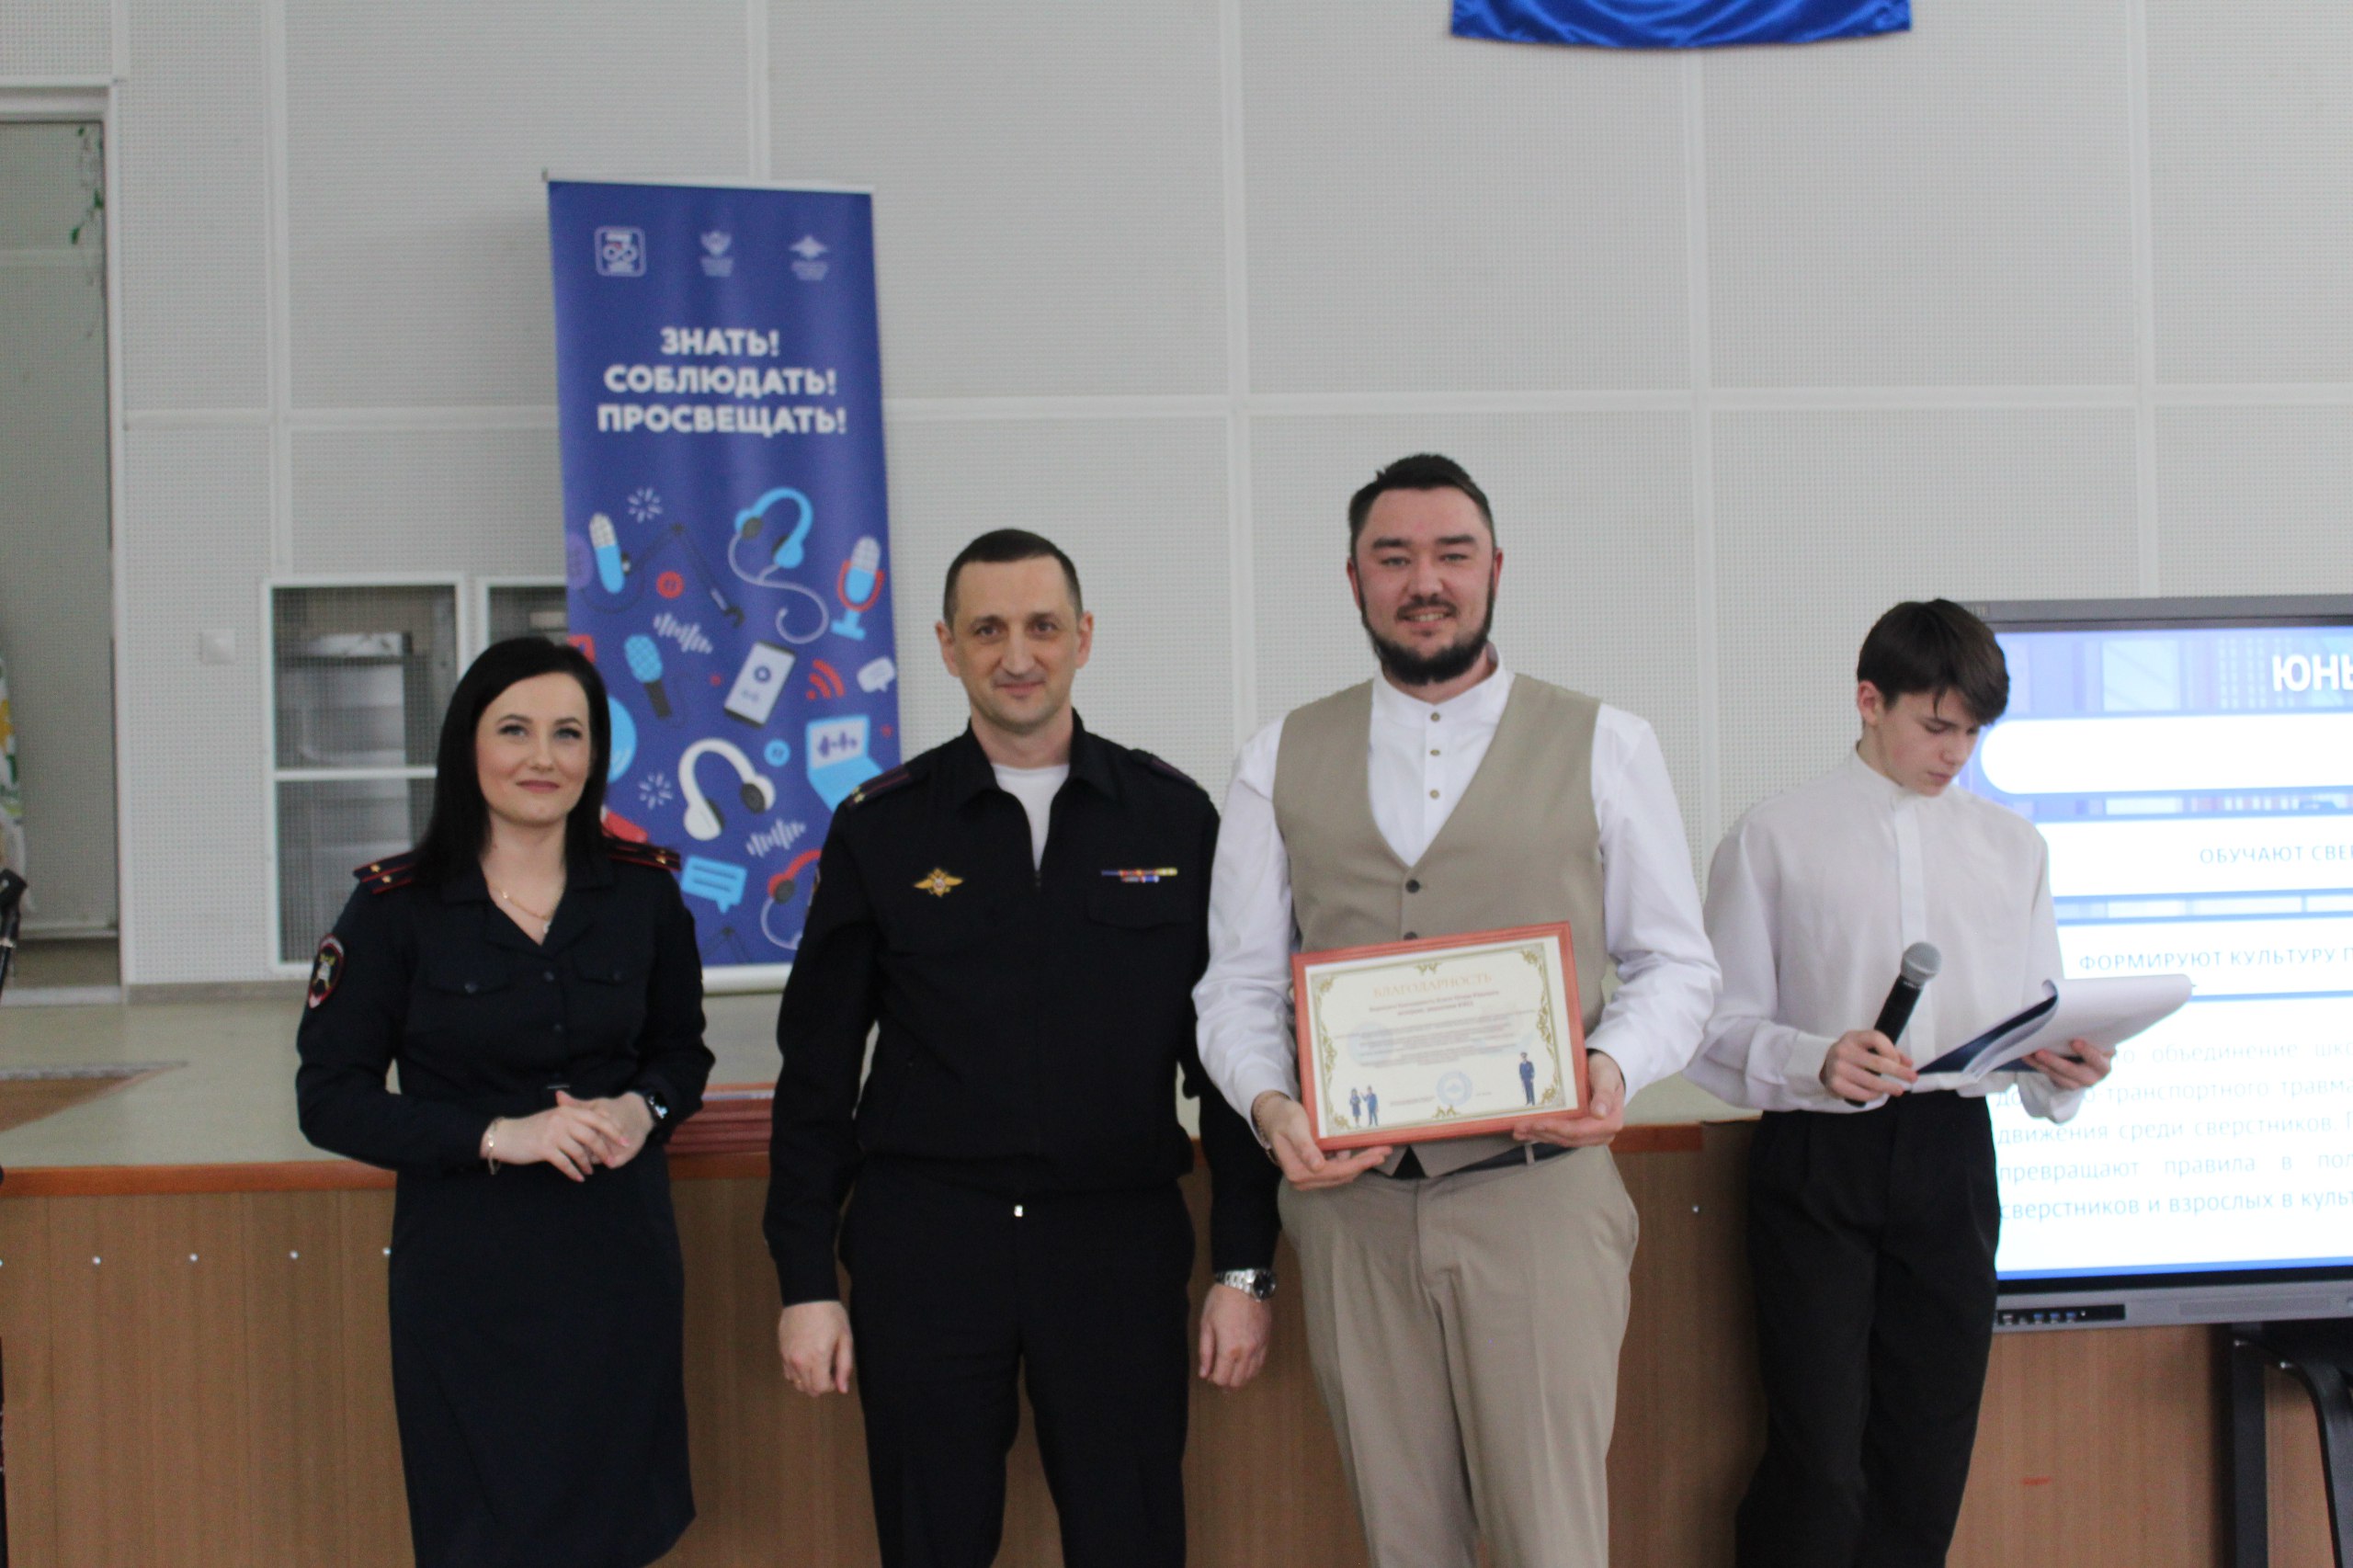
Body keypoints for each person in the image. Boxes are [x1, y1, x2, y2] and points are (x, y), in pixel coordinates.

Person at [1195, 453, 1720, 1568]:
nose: (1423, 581)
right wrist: (1272, 1106)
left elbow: (1676, 964)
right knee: (1403, 1544)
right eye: (1393, 558)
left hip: (1539, 1197)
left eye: (1450, 554)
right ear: (1354, 580)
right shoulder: (1277, 756)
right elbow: (1235, 985)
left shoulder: (1607, 742)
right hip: (1353, 1215)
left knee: (1551, 1543)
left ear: (1494, 568)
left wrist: (1612, 1066)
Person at [765, 529, 1281, 1568]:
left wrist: (1245, 1264)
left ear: (1083, 638)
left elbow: (1230, 1060)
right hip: (928, 1245)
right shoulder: (881, 828)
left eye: (1042, 626)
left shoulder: (1172, 818)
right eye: (988, 629)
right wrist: (805, 1279)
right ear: (947, 646)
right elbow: (816, 1069)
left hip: (1113, 1243)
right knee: (933, 1540)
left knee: (1131, 1538)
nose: (1017, 655)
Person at [1685, 600, 2112, 1568]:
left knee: (1928, 1457)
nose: (1955, 752)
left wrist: (2065, 1068)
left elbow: (2037, 1024)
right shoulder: (1773, 836)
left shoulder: (2014, 848)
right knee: (1819, 1465)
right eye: (1936, 725)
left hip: (1953, 1154)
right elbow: (1710, 1031)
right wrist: (1815, 1058)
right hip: (1817, 1152)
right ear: (1869, 700)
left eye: (1973, 732)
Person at [296, 637, 711, 1568]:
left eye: (569, 733)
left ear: (595, 753)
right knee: (484, 1533)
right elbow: (328, 1097)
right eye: (514, 730)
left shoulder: (644, 894)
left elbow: (681, 1053)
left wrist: (643, 1109)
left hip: (618, 1265)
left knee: (617, 1529)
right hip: (468, 1279)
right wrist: (496, 1133)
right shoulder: (394, 908)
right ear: (468, 746)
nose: (543, 757)